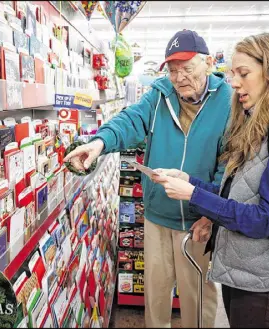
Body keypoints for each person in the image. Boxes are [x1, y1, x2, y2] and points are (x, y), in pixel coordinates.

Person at [152, 31, 269, 328]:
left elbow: (265, 220)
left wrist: (193, 196)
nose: (233, 83)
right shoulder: (260, 123)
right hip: (243, 273)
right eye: (233, 73)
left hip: (265, 286)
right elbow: (239, 196)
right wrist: (190, 182)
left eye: (243, 73)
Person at [64, 30, 232, 328]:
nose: (179, 78)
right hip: (156, 215)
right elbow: (130, 120)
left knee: (196, 297)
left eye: (187, 68)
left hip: (197, 220)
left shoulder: (229, 102)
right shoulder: (159, 94)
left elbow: (229, 163)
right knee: (155, 294)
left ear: (207, 62)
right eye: (173, 70)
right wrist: (99, 143)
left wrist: (211, 212)